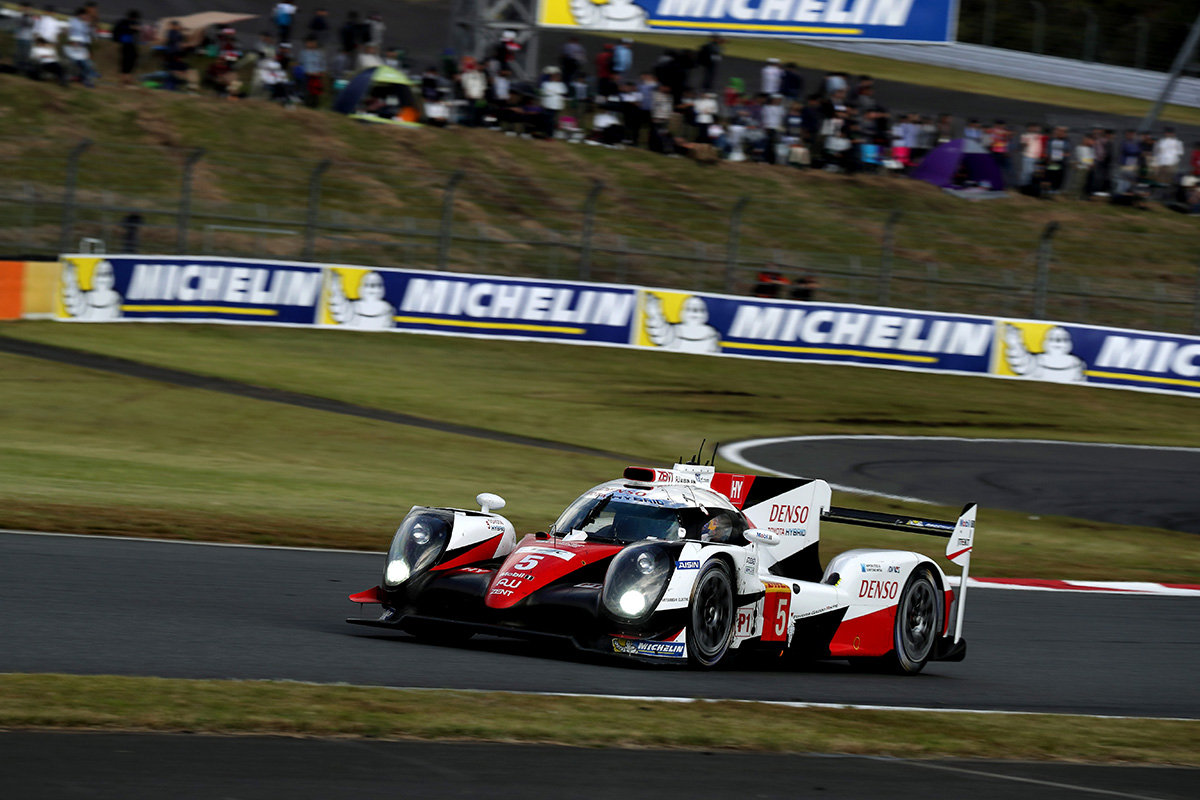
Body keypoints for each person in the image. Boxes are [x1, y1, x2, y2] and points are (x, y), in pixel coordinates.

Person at [112, 9, 140, 86]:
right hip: (125, 43)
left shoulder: (134, 22)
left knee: (133, 59)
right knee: (125, 60)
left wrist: (134, 29)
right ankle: (123, 78)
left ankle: (128, 78)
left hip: (131, 43)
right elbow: (117, 30)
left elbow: (136, 30)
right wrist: (130, 28)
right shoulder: (123, 22)